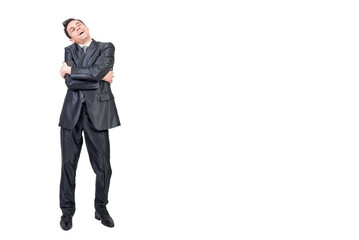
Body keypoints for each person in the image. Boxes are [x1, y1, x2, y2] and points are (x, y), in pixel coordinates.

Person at [58, 18, 120, 230]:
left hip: (98, 113)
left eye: (78, 25)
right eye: (72, 29)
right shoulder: (69, 51)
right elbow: (70, 83)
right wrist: (100, 78)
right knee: (68, 165)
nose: (77, 29)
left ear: (85, 26)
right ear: (71, 37)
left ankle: (100, 208)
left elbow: (96, 71)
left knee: (103, 167)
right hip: (71, 113)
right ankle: (67, 212)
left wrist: (72, 71)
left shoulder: (106, 47)